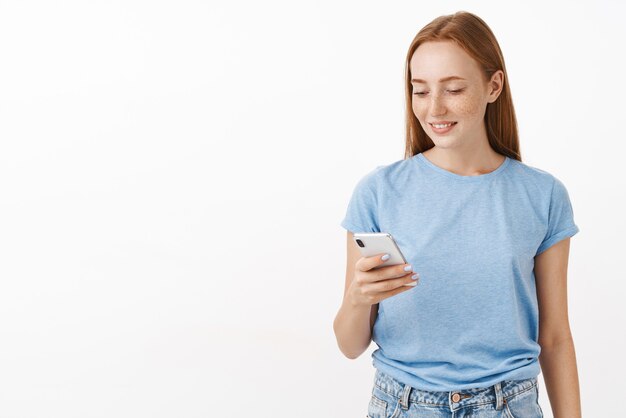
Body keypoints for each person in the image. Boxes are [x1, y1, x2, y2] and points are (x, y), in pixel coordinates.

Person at [333, 11, 582, 418]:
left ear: (493, 86)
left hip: (508, 406)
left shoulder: (542, 195)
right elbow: (349, 345)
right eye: (420, 90)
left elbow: (554, 338)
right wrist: (359, 298)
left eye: (452, 89)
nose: (434, 109)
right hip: (404, 405)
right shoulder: (378, 193)